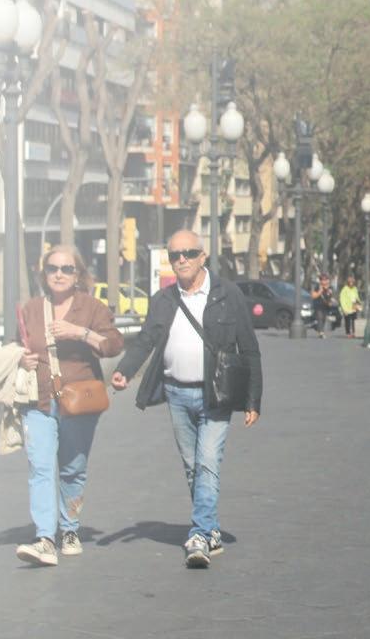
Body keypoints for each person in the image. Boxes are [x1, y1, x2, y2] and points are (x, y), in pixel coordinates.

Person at [111, 231, 262, 569]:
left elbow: (250, 349)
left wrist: (253, 399)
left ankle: (199, 535)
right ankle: (211, 530)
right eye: (175, 255)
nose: (181, 260)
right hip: (176, 394)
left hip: (216, 394)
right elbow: (146, 339)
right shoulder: (163, 299)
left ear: (202, 256)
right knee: (193, 467)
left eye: (189, 253)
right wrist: (124, 370)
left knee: (207, 462)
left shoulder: (228, 294)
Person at [14, 244, 124, 567]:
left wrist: (80, 333)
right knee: (41, 467)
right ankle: (45, 539)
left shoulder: (91, 307)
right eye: (52, 269)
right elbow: (17, 345)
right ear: (44, 274)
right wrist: (22, 359)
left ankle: (70, 528)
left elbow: (113, 345)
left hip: (78, 400)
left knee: (73, 468)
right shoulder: (32, 309)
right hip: (39, 401)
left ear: (78, 275)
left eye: (66, 269)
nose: (59, 275)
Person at [311, 272, 336, 339]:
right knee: (320, 317)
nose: (324, 281)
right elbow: (313, 295)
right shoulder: (318, 287)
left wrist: (331, 300)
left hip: (326, 305)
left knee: (323, 318)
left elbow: (331, 296)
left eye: (326, 279)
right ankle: (321, 333)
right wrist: (320, 292)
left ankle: (320, 330)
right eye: (322, 280)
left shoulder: (330, 288)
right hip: (318, 304)